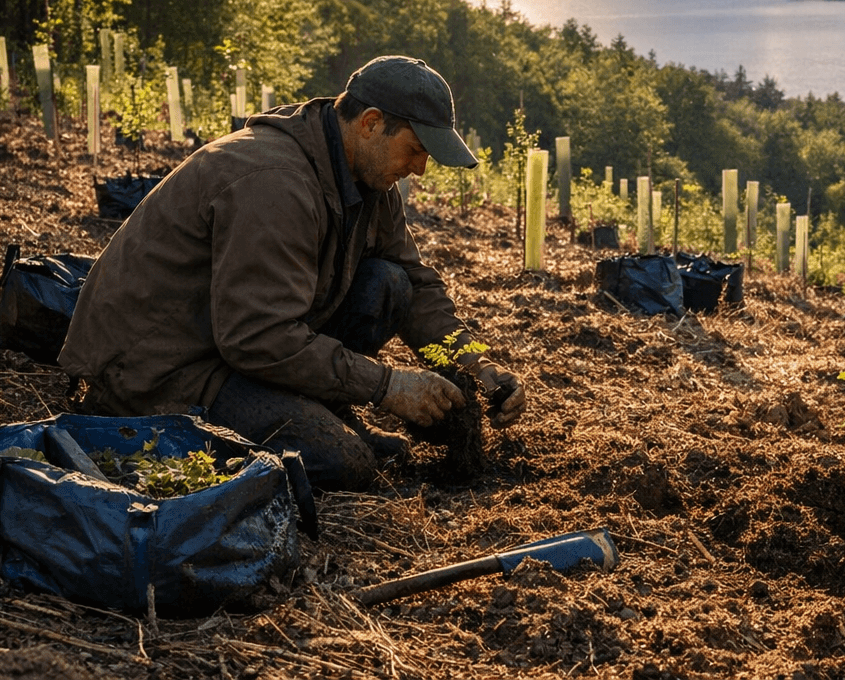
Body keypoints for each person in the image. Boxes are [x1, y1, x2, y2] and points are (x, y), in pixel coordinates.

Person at [60, 55, 526, 490]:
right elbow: (257, 336)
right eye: (416, 150)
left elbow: (417, 284)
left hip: (234, 343)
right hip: (161, 367)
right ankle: (328, 427)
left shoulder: (368, 176)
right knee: (342, 463)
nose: (420, 169)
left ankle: (331, 413)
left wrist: (476, 363)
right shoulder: (273, 182)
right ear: (371, 124)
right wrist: (386, 386)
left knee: (389, 284)